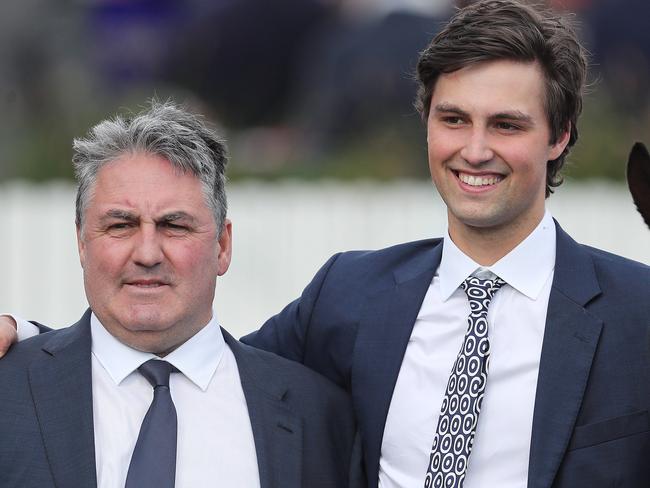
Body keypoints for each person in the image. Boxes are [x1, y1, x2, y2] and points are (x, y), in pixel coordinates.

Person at [2, 1, 650, 487]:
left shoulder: (636, 313)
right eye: (453, 119)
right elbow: (204, 371)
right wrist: (31, 341)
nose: (474, 149)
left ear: (560, 134)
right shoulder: (352, 295)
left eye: (506, 124)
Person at [0, 101, 362, 488]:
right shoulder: (9, 390)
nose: (147, 254)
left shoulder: (319, 418)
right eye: (121, 225)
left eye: (174, 226)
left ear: (222, 246)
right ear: (82, 243)